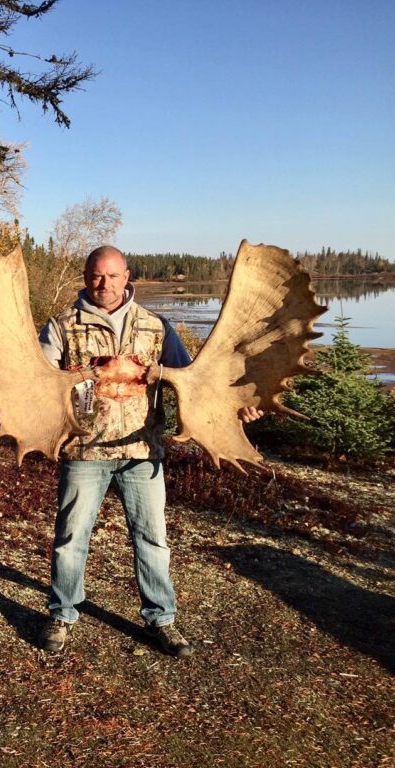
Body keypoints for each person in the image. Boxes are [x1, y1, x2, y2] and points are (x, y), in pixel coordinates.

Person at [35, 245, 261, 658]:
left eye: (112, 276)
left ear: (127, 276)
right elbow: (38, 380)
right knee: (71, 538)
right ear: (85, 277)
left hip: (143, 450)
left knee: (152, 539)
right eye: (96, 276)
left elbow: (192, 381)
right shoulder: (62, 327)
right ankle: (63, 614)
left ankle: (162, 619)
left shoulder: (156, 327)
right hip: (85, 451)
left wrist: (236, 408)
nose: (104, 284)